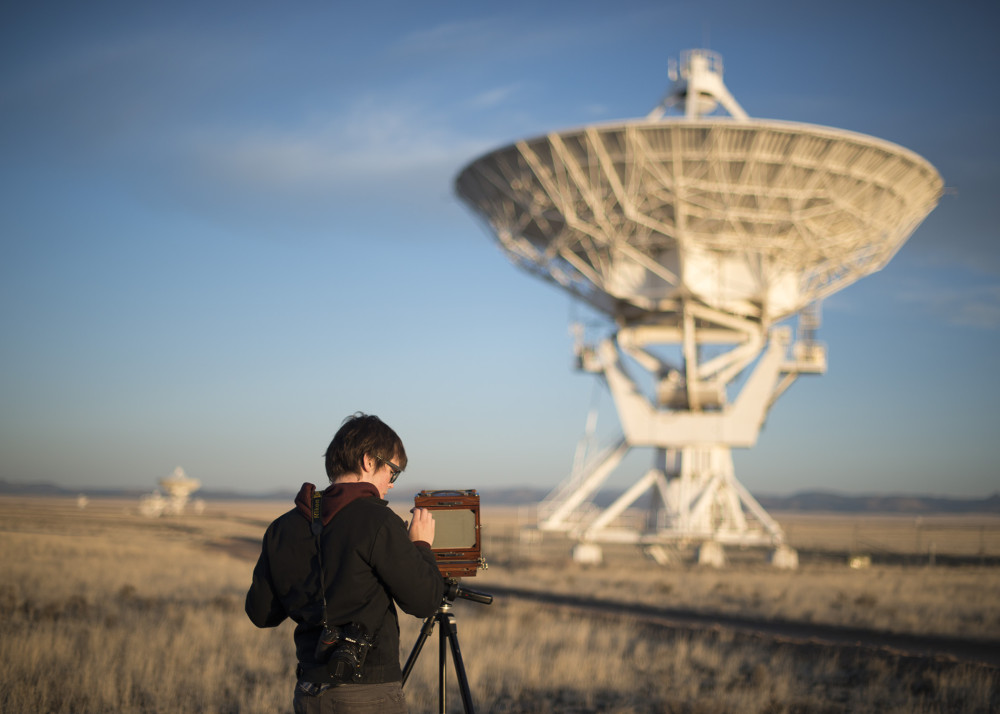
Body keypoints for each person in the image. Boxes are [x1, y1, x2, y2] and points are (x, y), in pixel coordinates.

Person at [246, 413, 444, 713]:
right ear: (368, 461)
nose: (390, 484)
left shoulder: (282, 527)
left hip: (310, 692)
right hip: (368, 694)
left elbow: (261, 614)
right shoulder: (378, 521)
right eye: (392, 472)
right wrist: (420, 544)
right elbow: (425, 602)